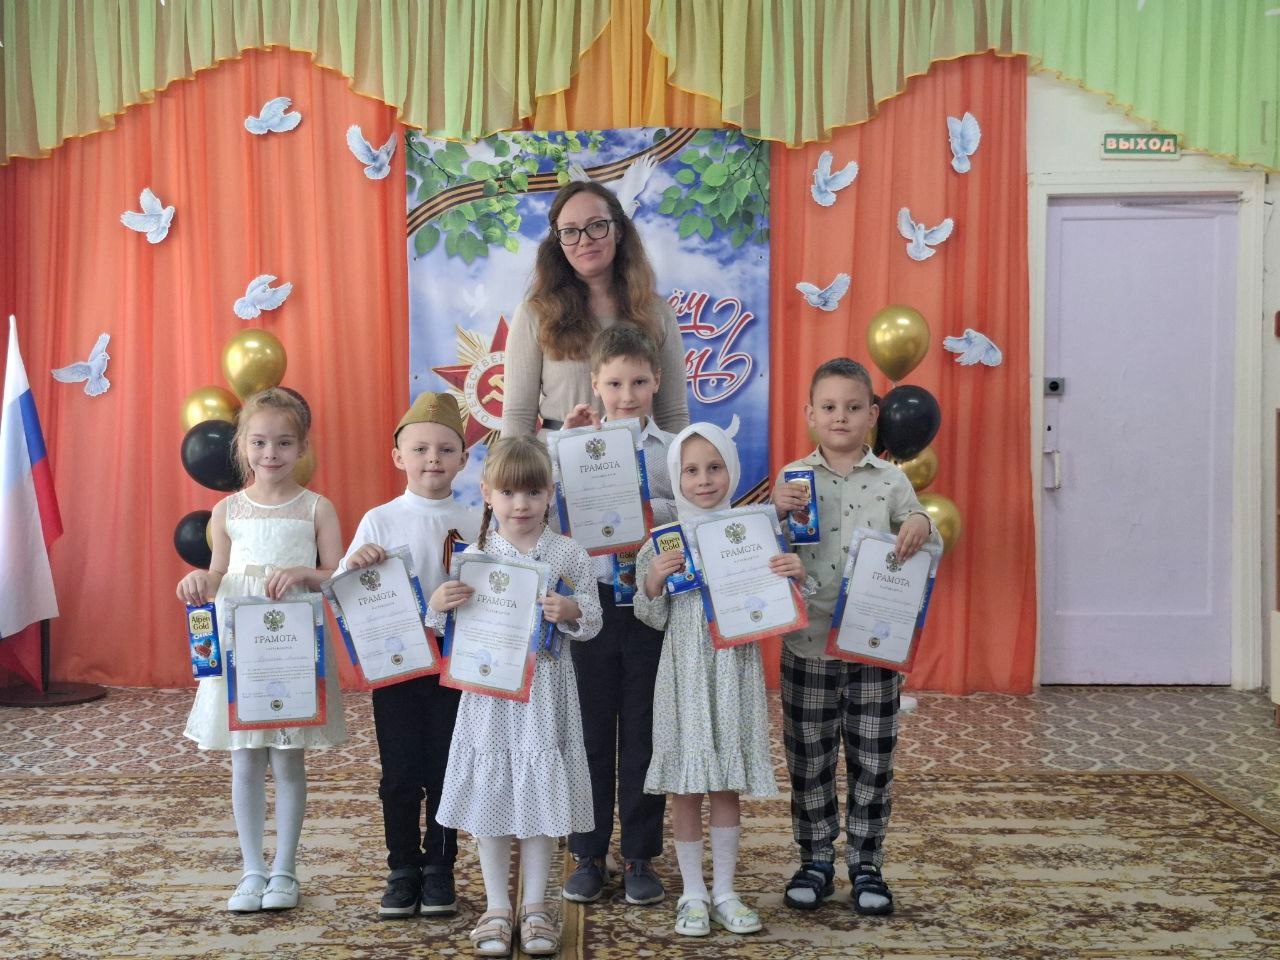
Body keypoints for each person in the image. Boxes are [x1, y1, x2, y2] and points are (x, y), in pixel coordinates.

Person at [771, 358, 938, 916]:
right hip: (808, 645)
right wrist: (774, 513)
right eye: (828, 407)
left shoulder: (892, 481)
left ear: (872, 414)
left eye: (852, 406)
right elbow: (761, 551)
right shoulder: (793, 479)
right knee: (809, 761)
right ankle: (815, 860)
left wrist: (921, 523)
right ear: (809, 414)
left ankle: (867, 864)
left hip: (873, 648)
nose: (839, 416)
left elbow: (924, 535)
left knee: (872, 760)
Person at [425, 436, 603, 957]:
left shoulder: (568, 553)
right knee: (492, 794)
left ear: (550, 493)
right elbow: (445, 629)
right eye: (507, 493)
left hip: (546, 695)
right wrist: (439, 603)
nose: (520, 504)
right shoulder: (474, 558)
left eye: (532, 492)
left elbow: (592, 619)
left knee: (540, 796)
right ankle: (497, 906)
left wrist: (570, 611)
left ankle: (536, 906)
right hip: (490, 697)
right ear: (486, 494)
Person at [177, 387, 347, 913]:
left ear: (302, 447)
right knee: (246, 759)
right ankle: (252, 869)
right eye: (259, 442)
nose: (270, 453)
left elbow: (336, 575)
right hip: (240, 640)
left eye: (283, 442)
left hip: (292, 640)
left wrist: (303, 573)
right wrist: (198, 582)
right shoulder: (227, 509)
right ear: (242, 447)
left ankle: (285, 870)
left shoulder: (317, 508)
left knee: (288, 758)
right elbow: (218, 572)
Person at [633, 423, 796, 937]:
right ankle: (693, 893)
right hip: (682, 675)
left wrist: (791, 574)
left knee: (726, 784)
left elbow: (779, 602)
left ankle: (725, 891)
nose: (704, 480)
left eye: (715, 467)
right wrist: (653, 580)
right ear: (676, 477)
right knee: (686, 787)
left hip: (733, 671)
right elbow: (650, 616)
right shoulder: (662, 542)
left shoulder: (753, 532)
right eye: (691, 470)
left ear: (733, 470)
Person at [336, 392, 480, 919]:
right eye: (420, 449)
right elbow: (344, 591)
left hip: (454, 663)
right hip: (397, 664)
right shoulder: (379, 520)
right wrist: (358, 563)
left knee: (446, 767)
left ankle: (440, 867)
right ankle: (401, 868)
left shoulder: (476, 521)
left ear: (464, 458)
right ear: (398, 456)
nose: (432, 459)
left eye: (445, 449)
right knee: (399, 773)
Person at [557, 325, 676, 907]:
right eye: (614, 384)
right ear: (595, 385)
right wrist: (565, 450)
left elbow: (699, 509)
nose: (626, 395)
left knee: (645, 734)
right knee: (589, 734)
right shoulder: (574, 446)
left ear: (657, 381)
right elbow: (542, 513)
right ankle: (587, 851)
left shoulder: (673, 450)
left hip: (650, 605)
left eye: (638, 382)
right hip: (592, 604)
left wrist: (648, 507)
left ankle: (639, 855)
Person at [501, 180, 689, 438]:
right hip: (557, 458)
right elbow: (518, 418)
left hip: (639, 456)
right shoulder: (534, 314)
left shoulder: (657, 313)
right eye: (570, 231)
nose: (585, 240)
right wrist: (513, 466)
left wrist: (675, 461)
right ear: (558, 241)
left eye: (597, 225)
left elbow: (673, 416)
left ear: (618, 230)